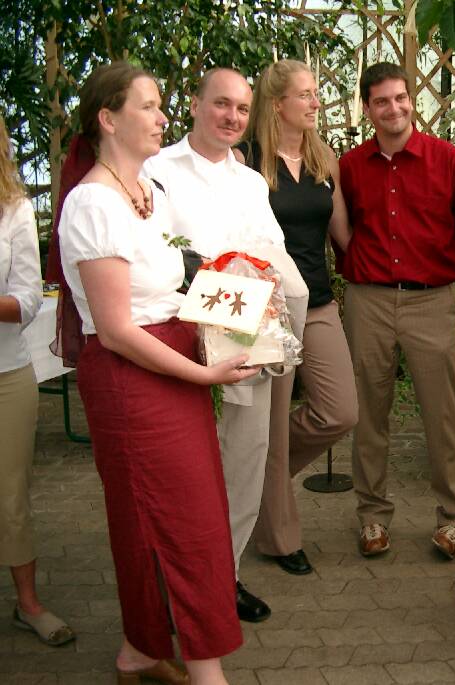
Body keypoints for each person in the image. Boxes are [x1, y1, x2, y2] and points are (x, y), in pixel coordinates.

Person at [55, 61, 254, 685]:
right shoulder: (92, 203)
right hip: (130, 381)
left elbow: (171, 291)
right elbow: (117, 329)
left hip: (171, 367)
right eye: (148, 106)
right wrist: (204, 376)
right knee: (174, 522)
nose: (163, 117)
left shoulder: (150, 191)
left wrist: (241, 307)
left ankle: (140, 651)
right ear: (108, 119)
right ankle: (205, 671)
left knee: (172, 519)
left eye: (162, 105)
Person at [144, 67, 307, 622]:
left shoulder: (250, 181)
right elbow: (154, 256)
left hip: (243, 335)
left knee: (244, 460)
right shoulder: (157, 170)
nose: (232, 117)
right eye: (221, 104)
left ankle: (224, 578)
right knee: (184, 473)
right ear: (194, 105)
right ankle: (173, 589)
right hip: (178, 339)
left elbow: (271, 254)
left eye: (241, 108)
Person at [338, 62, 455, 559]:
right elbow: (341, 230)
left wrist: (444, 270)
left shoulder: (448, 160)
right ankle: (372, 516)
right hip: (369, 301)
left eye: (401, 98)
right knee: (368, 412)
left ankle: (454, 518)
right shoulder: (350, 167)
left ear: (412, 100)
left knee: (444, 413)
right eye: (382, 101)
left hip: (431, 300)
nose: (394, 108)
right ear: (367, 107)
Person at [235, 59, 358, 576]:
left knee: (340, 412)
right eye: (305, 94)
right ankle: (280, 541)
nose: (315, 103)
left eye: (314, 94)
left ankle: (252, 469)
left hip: (319, 301)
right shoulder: (245, 160)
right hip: (268, 306)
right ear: (276, 103)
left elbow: (343, 235)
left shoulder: (323, 158)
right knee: (272, 421)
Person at [0, 115, 76, 649]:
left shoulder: (14, 208)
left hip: (6, 373)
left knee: (10, 496)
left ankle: (27, 605)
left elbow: (28, 300)